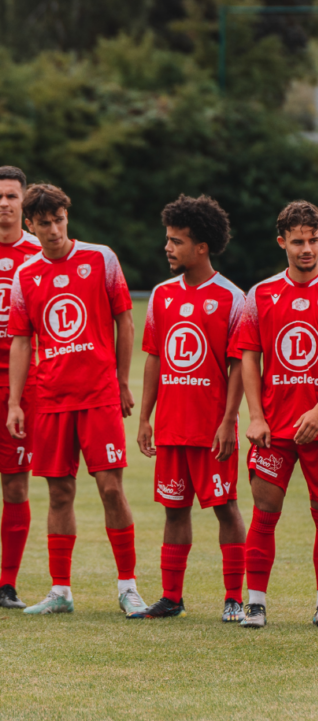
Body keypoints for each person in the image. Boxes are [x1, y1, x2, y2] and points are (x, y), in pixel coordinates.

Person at [6, 184, 145, 615]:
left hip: (99, 395)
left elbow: (125, 321)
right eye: (43, 223)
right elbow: (21, 342)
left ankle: (127, 587)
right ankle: (60, 590)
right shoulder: (25, 275)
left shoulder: (100, 258)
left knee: (110, 489)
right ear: (31, 225)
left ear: (68, 216)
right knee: (59, 493)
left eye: (59, 220)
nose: (53, 230)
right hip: (49, 399)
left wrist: (122, 381)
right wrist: (15, 402)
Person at [233, 200, 318, 629]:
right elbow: (249, 358)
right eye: (298, 241)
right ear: (282, 242)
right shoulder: (260, 295)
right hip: (274, 428)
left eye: (314, 240)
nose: (307, 249)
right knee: (265, 512)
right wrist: (256, 416)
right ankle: (256, 603)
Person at [131, 195, 247, 622]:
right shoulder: (161, 296)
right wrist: (145, 417)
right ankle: (171, 597)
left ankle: (234, 597)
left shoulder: (233, 297)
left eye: (176, 241)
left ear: (202, 247)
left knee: (225, 506)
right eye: (168, 240)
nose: (168, 248)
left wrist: (229, 421)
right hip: (172, 427)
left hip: (211, 427)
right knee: (173, 508)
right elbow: (155, 359)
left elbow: (238, 365)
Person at [0, 166, 39, 610]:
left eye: (12, 196)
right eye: (1, 196)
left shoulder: (36, 256)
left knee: (15, 484)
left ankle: (7, 583)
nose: (5, 203)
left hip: (22, 386)